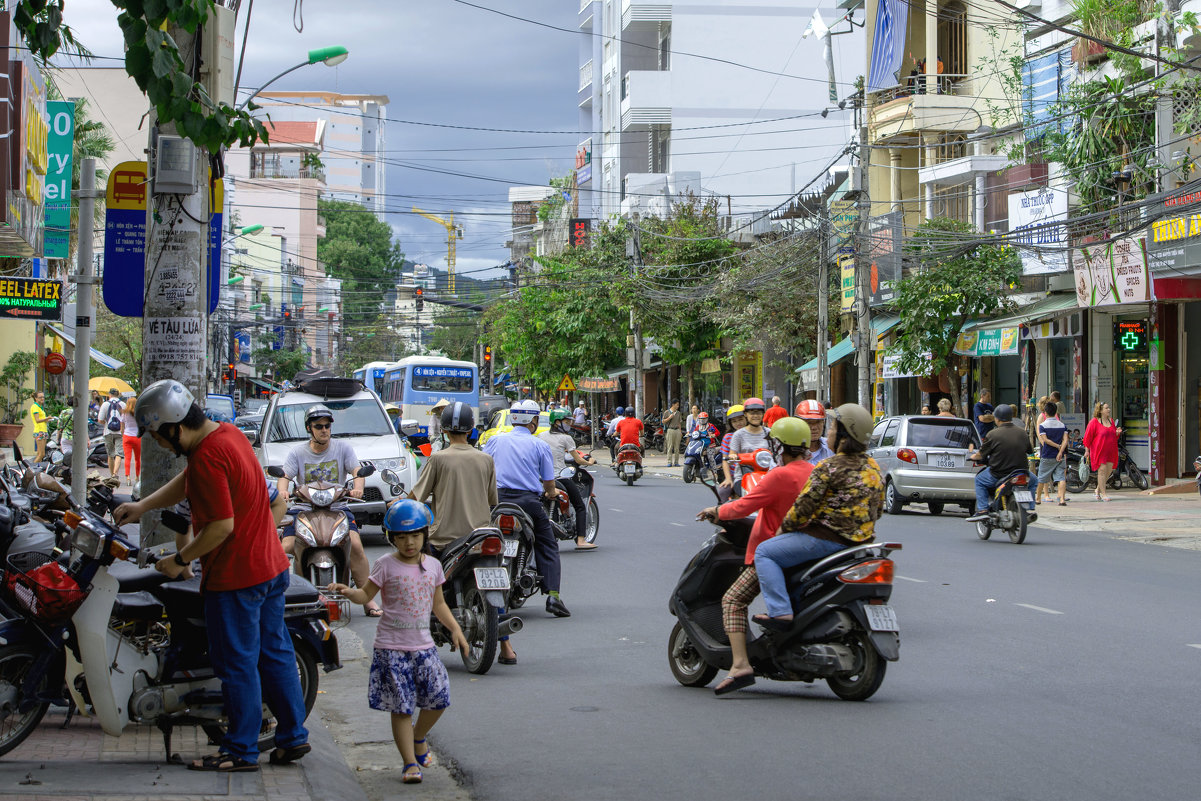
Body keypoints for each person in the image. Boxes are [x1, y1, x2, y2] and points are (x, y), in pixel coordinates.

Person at [114, 379, 309, 773]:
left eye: (159, 437)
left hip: (236, 575)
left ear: (174, 427)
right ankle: (292, 739)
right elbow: (189, 483)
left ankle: (240, 751)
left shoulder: (205, 457)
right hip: (270, 567)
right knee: (275, 654)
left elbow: (220, 526)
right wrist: (143, 505)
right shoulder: (227, 434)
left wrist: (179, 558)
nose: (162, 446)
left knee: (237, 663)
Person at [328, 500, 468, 785]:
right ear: (392, 538)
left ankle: (419, 737)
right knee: (401, 707)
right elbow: (365, 595)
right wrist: (347, 591)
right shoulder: (384, 565)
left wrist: (455, 629)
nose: (409, 542)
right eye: (402, 537)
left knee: (439, 697)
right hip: (391, 647)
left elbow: (438, 603)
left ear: (424, 535)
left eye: (415, 535)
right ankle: (408, 764)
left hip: (423, 647)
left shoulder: (433, 566)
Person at [699, 418, 814, 695]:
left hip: (776, 548)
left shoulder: (779, 475)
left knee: (733, 600)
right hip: (809, 550)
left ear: (779, 445)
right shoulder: (815, 471)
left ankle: (740, 664)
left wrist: (716, 511)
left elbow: (743, 506)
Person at [753, 404, 884, 624]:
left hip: (827, 540)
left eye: (831, 428)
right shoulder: (874, 467)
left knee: (765, 552)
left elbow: (803, 508)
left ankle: (780, 611)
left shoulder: (828, 466)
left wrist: (783, 529)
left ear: (844, 436)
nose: (828, 433)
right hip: (861, 542)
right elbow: (878, 510)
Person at [409, 401, 513, 662]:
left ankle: (417, 639)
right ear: (471, 430)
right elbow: (492, 501)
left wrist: (397, 504)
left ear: (444, 431)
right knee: (495, 583)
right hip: (482, 535)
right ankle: (506, 647)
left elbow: (415, 498)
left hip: (446, 539)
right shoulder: (485, 459)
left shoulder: (437, 459)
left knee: (419, 576)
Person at [277, 405, 381, 617]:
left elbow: (356, 470)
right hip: (304, 509)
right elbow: (285, 477)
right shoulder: (297, 452)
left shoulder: (343, 449)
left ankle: (367, 600)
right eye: (319, 426)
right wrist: (283, 492)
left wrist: (358, 487)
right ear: (309, 428)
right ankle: (278, 596)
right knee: (285, 547)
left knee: (357, 546)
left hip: (338, 508)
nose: (324, 430)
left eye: (327, 425)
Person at [484, 399, 571, 618]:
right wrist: (552, 493)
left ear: (513, 419)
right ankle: (553, 596)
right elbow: (549, 483)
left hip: (498, 500)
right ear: (533, 420)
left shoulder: (495, 441)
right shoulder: (539, 445)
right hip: (528, 502)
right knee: (548, 543)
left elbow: (484, 470)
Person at [539, 408, 599, 551]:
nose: (569, 425)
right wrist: (590, 462)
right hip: (559, 477)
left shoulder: (540, 436)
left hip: (541, 478)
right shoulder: (566, 438)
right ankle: (581, 540)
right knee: (579, 505)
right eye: (566, 422)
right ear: (557, 422)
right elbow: (577, 459)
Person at [966, 404, 1036, 521]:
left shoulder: (992, 434)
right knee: (1034, 481)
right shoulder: (1022, 433)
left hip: (998, 474)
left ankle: (983, 509)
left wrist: (973, 456)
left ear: (997, 418)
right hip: (1021, 472)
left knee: (979, 480)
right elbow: (1030, 450)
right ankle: (1029, 507)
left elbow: (981, 454)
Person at [726, 397, 771, 486]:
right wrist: (733, 456)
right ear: (746, 414)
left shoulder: (770, 433)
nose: (755, 416)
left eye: (758, 412)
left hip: (768, 477)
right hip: (744, 477)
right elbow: (731, 455)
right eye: (752, 413)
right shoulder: (738, 435)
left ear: (763, 414)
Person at [1083, 401, 1122, 502]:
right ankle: (1103, 494)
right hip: (1098, 451)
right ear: (1100, 411)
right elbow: (1087, 438)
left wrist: (1117, 433)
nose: (1109, 409)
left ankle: (1097, 490)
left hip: (1111, 450)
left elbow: (1113, 436)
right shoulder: (1094, 422)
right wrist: (1086, 451)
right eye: (1106, 408)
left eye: (1108, 408)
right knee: (1102, 471)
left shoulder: (1111, 421)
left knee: (1109, 471)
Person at [1036, 400, 1069, 507]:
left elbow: (1045, 440)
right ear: (1055, 412)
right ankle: (1062, 499)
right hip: (1060, 456)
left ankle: (1038, 499)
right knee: (1061, 478)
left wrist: (1056, 446)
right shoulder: (1062, 425)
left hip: (1047, 455)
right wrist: (1060, 450)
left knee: (1042, 477)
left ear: (1045, 413)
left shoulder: (1043, 426)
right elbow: (1065, 440)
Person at [795, 399, 834, 465]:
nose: (814, 427)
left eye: (818, 422)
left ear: (823, 423)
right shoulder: (789, 451)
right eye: (809, 423)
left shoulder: (832, 448)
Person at [718, 405, 746, 493]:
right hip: (735, 475)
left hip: (755, 474)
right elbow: (725, 460)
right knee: (723, 491)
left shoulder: (756, 433)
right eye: (734, 421)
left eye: (741, 419)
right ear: (730, 423)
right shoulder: (728, 437)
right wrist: (728, 479)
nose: (738, 423)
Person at [98, 388, 125, 477]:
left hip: (107, 432)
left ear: (109, 395)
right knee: (119, 454)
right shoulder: (123, 404)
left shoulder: (105, 404)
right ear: (118, 395)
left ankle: (111, 475)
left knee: (110, 454)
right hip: (120, 432)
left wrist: (106, 423)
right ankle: (115, 474)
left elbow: (100, 420)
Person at [121, 395, 141, 485]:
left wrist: (123, 435)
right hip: (137, 437)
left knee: (127, 458)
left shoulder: (124, 413)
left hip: (127, 436)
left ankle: (128, 477)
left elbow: (122, 427)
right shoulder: (139, 413)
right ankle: (137, 477)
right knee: (137, 459)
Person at [662, 399, 683, 467]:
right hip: (670, 430)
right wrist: (669, 418)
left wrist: (680, 431)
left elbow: (679, 423)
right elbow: (663, 421)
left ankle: (676, 462)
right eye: (677, 405)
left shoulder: (678, 413)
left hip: (677, 430)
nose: (678, 406)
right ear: (673, 405)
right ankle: (669, 462)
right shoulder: (667, 412)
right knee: (670, 446)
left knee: (677, 447)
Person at [29, 390, 48, 462]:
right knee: (41, 454)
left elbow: (41, 419)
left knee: (39, 454)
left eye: (43, 397)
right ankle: (32, 469)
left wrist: (47, 419)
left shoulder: (39, 407)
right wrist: (47, 418)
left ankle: (37, 469)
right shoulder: (35, 407)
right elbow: (37, 420)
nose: (42, 398)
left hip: (43, 430)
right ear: (36, 398)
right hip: (39, 431)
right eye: (40, 397)